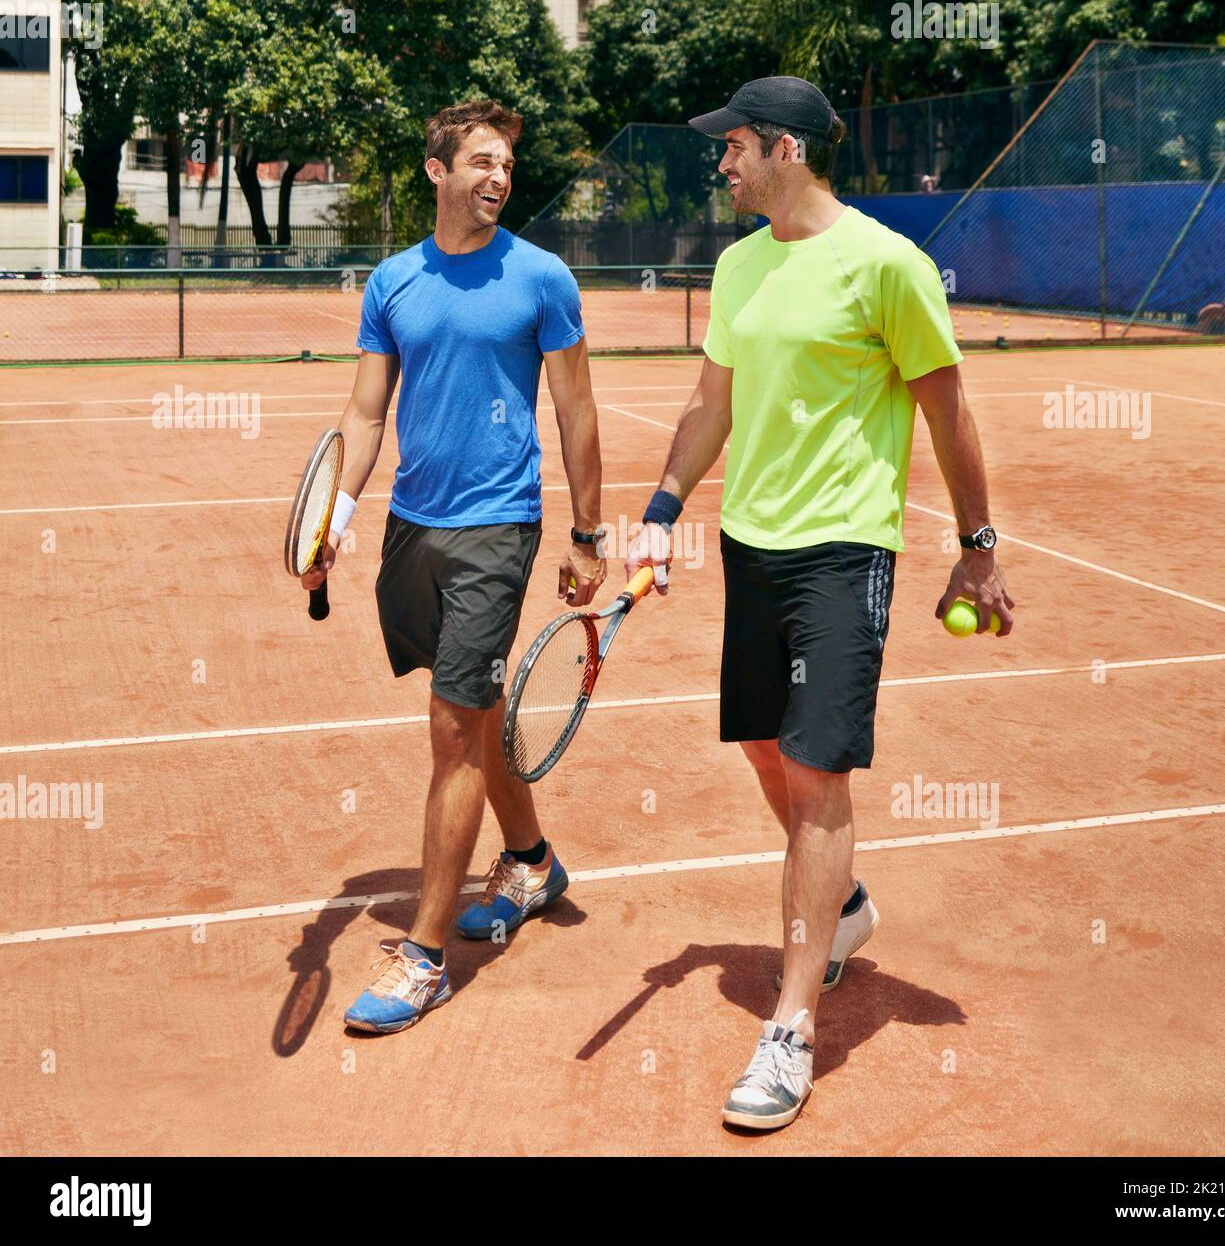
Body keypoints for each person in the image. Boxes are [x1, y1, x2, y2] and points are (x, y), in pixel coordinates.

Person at [623, 76, 1015, 1129]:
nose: (722, 163)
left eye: (733, 146)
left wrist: (976, 550)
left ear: (785, 150)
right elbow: (713, 403)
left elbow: (948, 409)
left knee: (815, 768)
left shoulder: (885, 264)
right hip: (752, 543)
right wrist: (661, 509)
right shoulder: (741, 263)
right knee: (761, 746)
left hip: (845, 551)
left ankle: (789, 1028)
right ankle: (841, 909)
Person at [302, 99, 607, 1034]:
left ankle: (424, 957)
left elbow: (578, 408)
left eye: (506, 161)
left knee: (449, 728)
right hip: (412, 527)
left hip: (497, 529)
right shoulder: (392, 283)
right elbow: (363, 415)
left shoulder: (542, 278)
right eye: (480, 159)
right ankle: (531, 862)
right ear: (436, 170)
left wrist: (588, 536)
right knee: (472, 718)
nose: (498, 174)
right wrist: (334, 515)